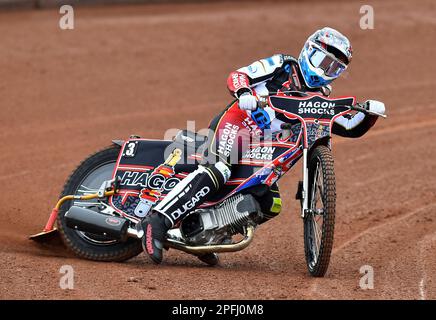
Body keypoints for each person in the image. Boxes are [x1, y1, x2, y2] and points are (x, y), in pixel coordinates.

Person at [141, 27, 386, 264]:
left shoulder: (320, 97)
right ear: (308, 51)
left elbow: (347, 127)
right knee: (220, 170)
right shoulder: (283, 65)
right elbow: (238, 75)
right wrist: (244, 92)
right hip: (239, 123)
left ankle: (205, 234)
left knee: (269, 202)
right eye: (322, 60)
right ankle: (157, 220)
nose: (325, 70)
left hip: (263, 146)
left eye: (334, 67)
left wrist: (369, 114)